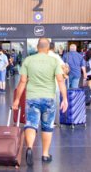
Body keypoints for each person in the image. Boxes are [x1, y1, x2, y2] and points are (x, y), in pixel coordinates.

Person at [12, 38, 68, 166]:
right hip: (49, 98)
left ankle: (30, 147)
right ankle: (45, 154)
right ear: (48, 48)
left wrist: (16, 100)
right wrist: (65, 99)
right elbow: (60, 81)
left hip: (32, 98)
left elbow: (22, 82)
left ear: (37, 47)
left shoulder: (28, 60)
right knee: (47, 126)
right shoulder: (54, 61)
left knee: (31, 123)